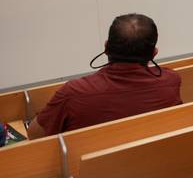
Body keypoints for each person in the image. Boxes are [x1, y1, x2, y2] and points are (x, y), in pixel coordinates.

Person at [29, 14, 181, 137]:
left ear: (106, 47)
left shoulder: (73, 93)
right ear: (154, 53)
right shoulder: (171, 81)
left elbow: (34, 135)